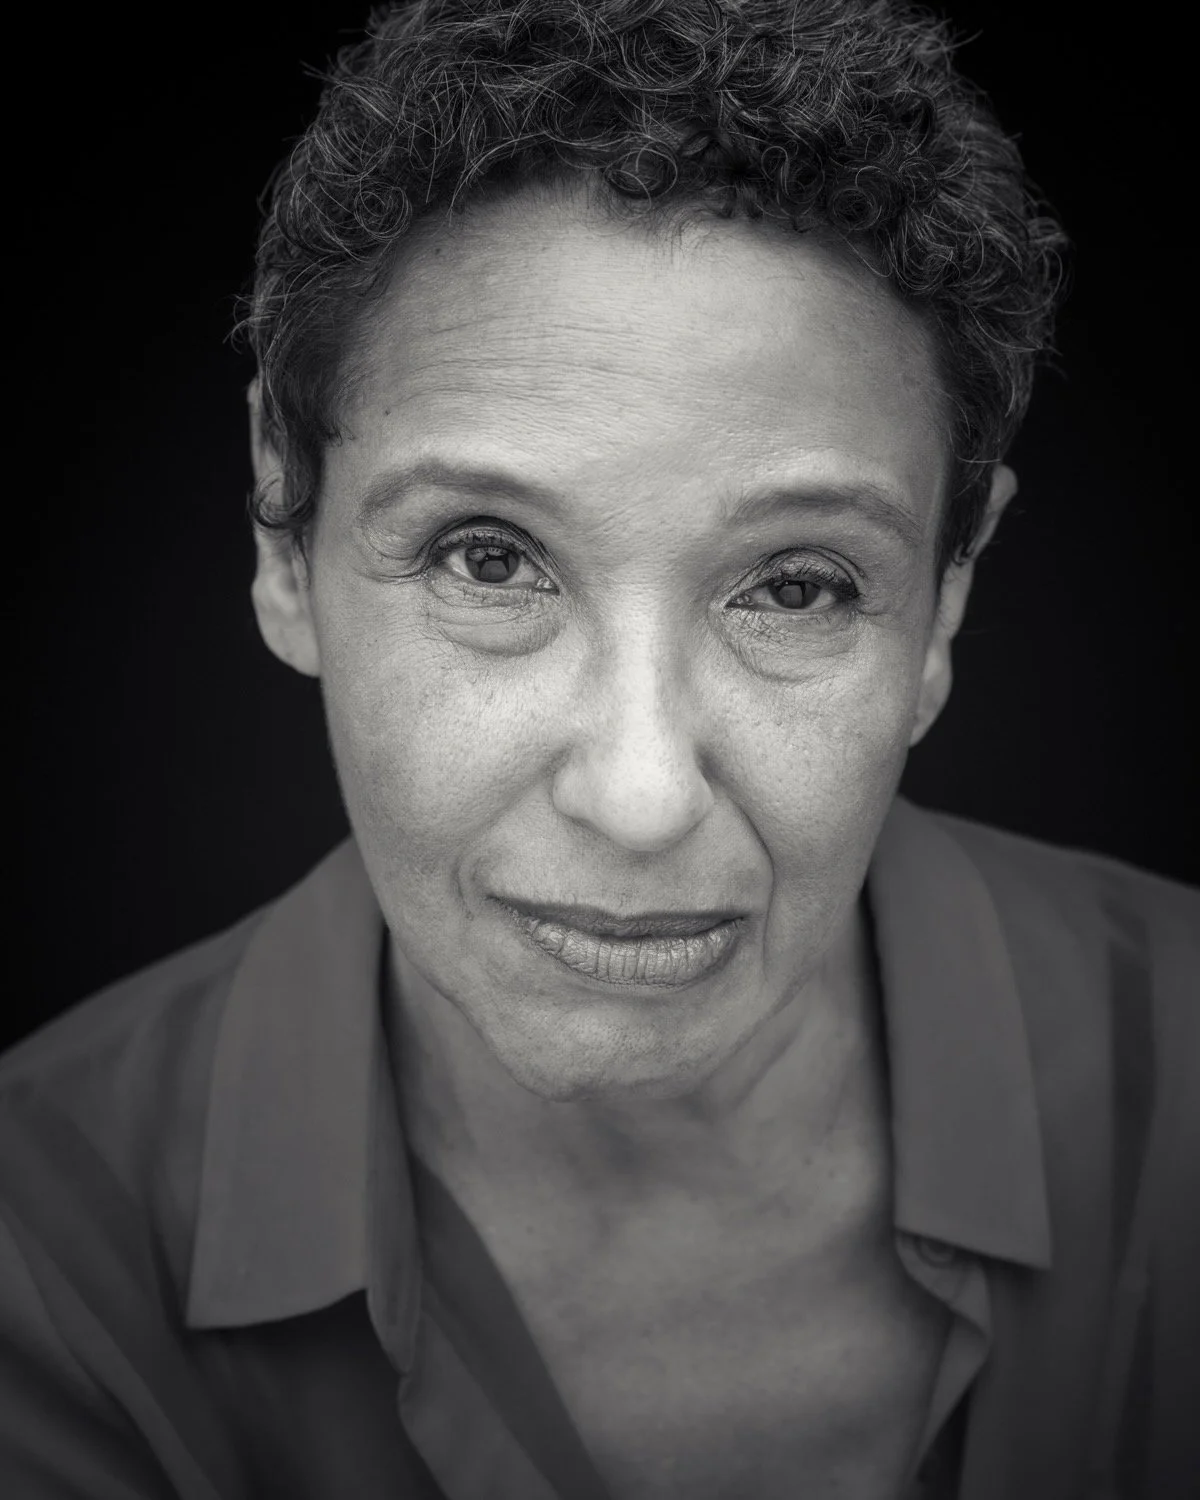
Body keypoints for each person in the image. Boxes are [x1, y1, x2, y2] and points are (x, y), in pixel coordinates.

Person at [2, 1, 1196, 1496]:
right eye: (490, 560)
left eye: (799, 586)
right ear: (283, 532)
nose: (639, 799)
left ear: (948, 597)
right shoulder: (36, 1263)